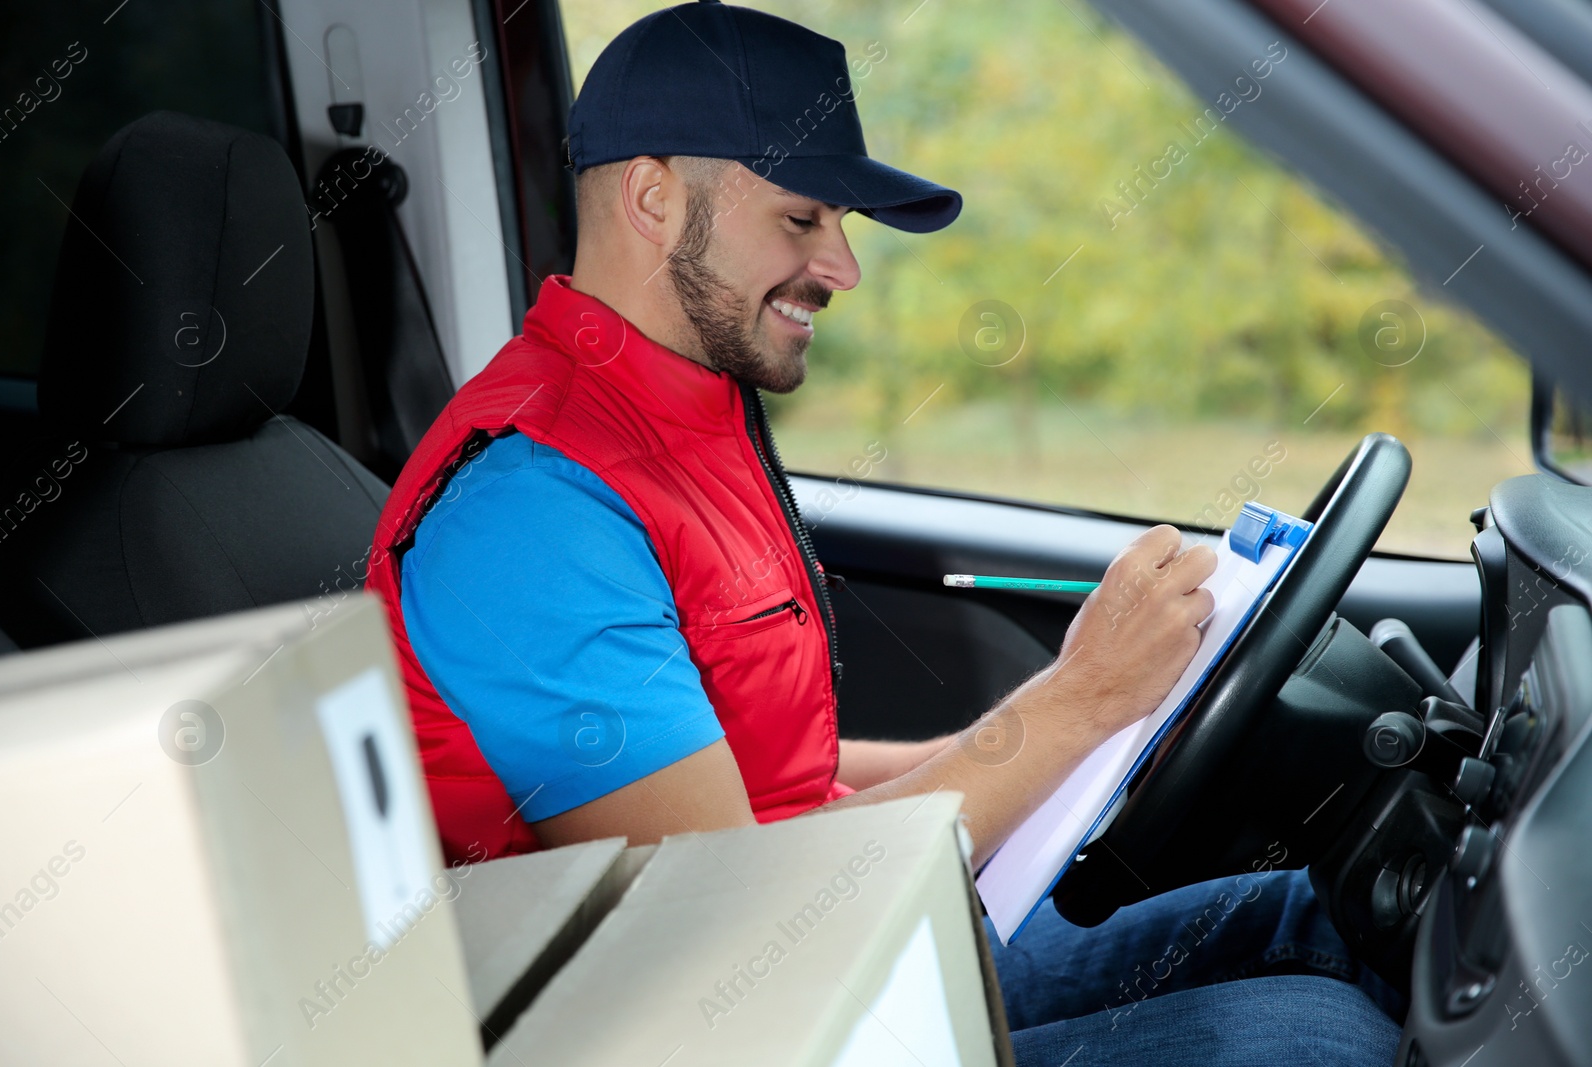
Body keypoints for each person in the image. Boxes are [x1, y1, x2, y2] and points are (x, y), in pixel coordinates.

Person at [363, 2, 1402, 1061]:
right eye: (803, 218)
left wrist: (1060, 741)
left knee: (1309, 913)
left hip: (823, 942)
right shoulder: (530, 507)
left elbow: (758, 769)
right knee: (1312, 1040)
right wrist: (1080, 696)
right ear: (655, 197)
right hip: (722, 1013)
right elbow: (714, 920)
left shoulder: (685, 414)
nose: (843, 267)